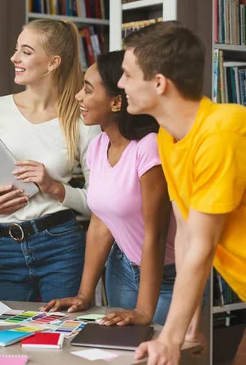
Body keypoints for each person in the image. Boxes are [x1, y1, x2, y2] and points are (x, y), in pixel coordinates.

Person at [116, 21, 246, 365]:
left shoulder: (222, 131)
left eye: (128, 74)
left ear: (159, 83)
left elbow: (203, 243)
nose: (120, 83)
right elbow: (188, 235)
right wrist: (186, 323)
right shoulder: (167, 138)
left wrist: (170, 338)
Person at [40, 50, 177, 326]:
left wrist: (143, 311)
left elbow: (157, 234)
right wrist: (84, 293)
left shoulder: (149, 147)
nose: (78, 97)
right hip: (122, 269)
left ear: (116, 102)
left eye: (87, 90)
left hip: (168, 277)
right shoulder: (97, 147)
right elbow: (101, 223)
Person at [0, 19, 100, 302]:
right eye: (17, 49)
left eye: (26, 51)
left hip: (60, 247)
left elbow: (98, 204)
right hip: (3, 247)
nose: (14, 58)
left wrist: (53, 186)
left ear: (53, 62)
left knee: (59, 340)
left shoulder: (82, 119)